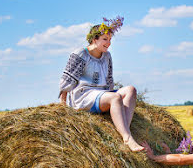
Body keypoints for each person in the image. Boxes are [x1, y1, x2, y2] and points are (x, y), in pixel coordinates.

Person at [59, 17, 144, 152]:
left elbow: (109, 79)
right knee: (115, 98)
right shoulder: (81, 54)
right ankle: (128, 138)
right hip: (83, 96)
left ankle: (124, 129)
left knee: (131, 90)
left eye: (110, 40)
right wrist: (62, 109)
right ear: (94, 39)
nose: (109, 43)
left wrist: (113, 102)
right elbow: (67, 79)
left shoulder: (107, 56)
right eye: (105, 39)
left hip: (102, 94)